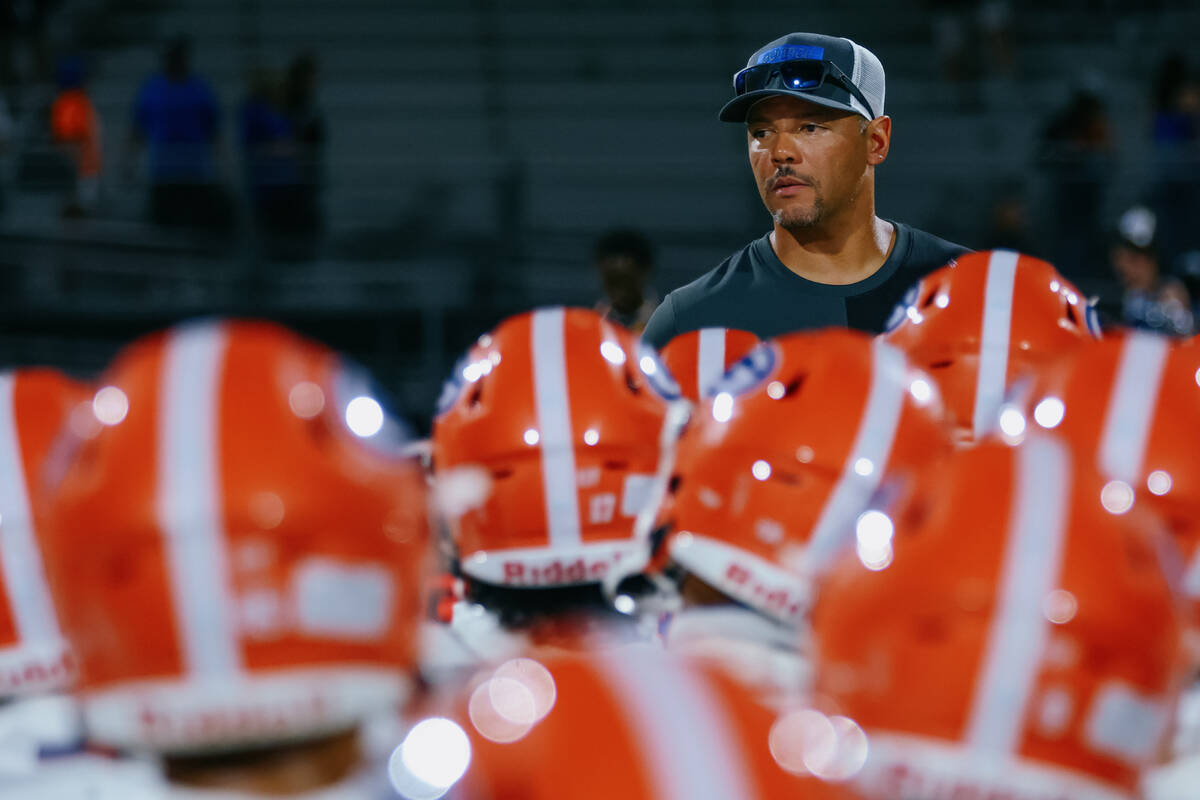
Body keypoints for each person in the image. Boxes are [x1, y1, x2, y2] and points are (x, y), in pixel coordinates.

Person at [642, 32, 969, 350]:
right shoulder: (689, 326)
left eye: (811, 127)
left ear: (876, 141)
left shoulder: (971, 294)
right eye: (762, 131)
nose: (780, 152)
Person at [129, 35, 230, 231]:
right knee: (164, 229)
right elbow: (138, 130)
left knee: (196, 228)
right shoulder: (152, 89)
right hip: (164, 173)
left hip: (195, 173)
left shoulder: (200, 89)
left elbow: (215, 132)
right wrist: (129, 162)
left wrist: (224, 167)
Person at [593, 229, 657, 334]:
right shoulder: (594, 323)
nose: (619, 291)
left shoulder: (664, 325)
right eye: (612, 281)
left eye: (625, 280)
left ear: (644, 272)